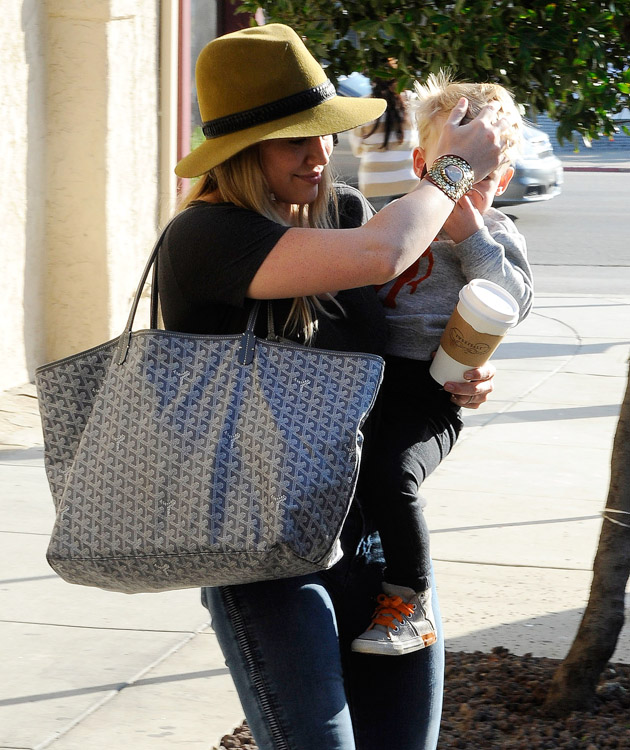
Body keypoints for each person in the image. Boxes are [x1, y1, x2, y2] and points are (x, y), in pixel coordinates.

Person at [161, 24, 510, 750]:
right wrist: (448, 172)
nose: (321, 155)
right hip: (266, 559)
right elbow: (385, 252)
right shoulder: (205, 240)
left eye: (325, 134)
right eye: (297, 139)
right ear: (242, 150)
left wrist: (465, 364)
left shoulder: (342, 210)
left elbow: (404, 333)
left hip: (375, 547)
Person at [351, 72, 534, 657]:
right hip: (369, 377)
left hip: (433, 387)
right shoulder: (396, 220)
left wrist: (474, 236)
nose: (465, 190)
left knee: (392, 472)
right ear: (419, 161)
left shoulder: (497, 233)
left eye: (482, 179)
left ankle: (411, 601)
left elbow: (516, 300)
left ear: (502, 180)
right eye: (456, 169)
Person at [349, 77, 420, 209]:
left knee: (376, 226)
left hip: (374, 183)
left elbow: (357, 150)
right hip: (408, 181)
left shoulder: (363, 105)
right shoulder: (412, 101)